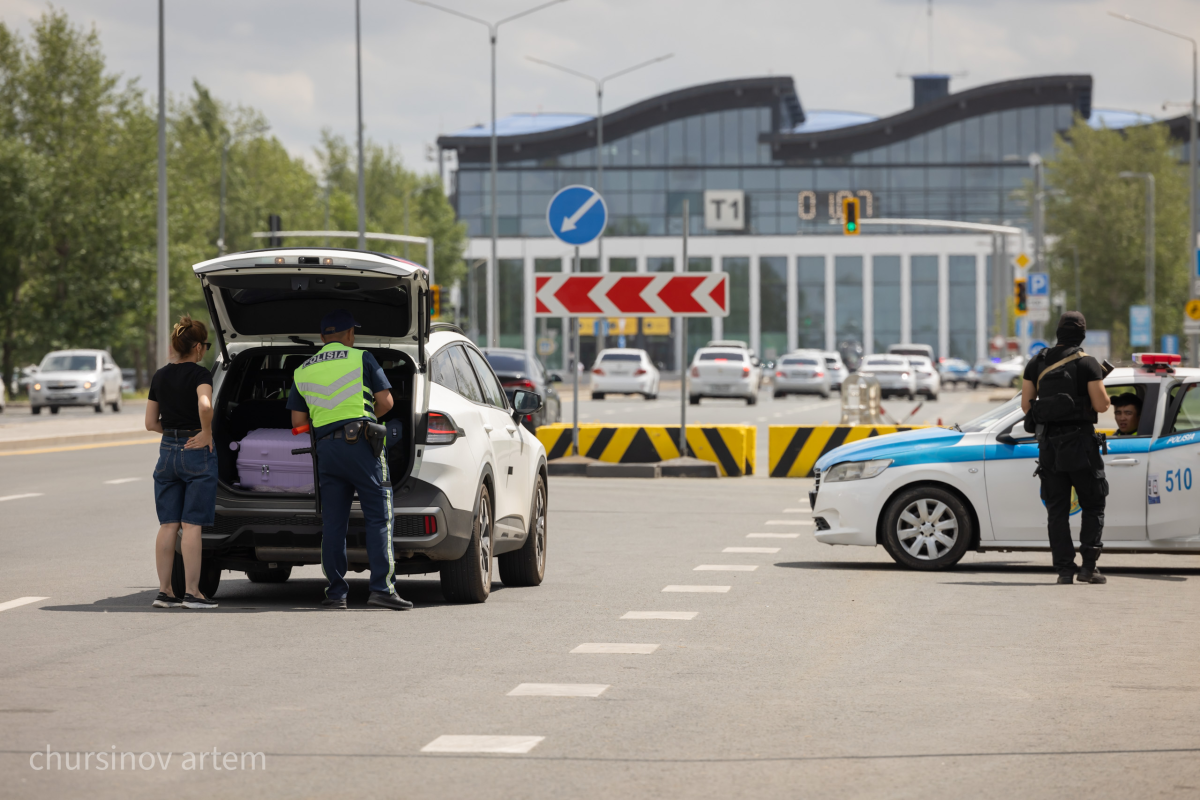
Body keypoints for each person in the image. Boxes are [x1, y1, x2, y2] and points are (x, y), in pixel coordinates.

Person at [287, 310, 412, 611]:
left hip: (326, 451)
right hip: (363, 445)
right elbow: (386, 403)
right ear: (350, 335)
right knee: (379, 515)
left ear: (322, 338)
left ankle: (335, 593)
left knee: (333, 523)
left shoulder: (302, 369)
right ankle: (382, 589)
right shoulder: (362, 358)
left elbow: (297, 421)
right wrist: (367, 417)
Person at [1021, 311, 1111, 585]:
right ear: (1082, 335)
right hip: (1081, 445)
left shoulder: (1037, 362)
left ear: (1058, 332)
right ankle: (1088, 568)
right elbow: (1102, 405)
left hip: (1049, 447)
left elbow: (1027, 406)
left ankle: (1064, 570)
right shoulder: (1087, 363)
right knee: (1093, 504)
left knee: (1057, 509)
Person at [146, 316, 219, 609]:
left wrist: (173, 433)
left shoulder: (159, 376)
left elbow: (151, 423)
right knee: (191, 526)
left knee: (167, 525)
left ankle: (165, 592)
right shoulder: (200, 374)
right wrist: (205, 432)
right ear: (199, 347)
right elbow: (205, 405)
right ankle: (192, 593)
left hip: (167, 452)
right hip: (196, 452)